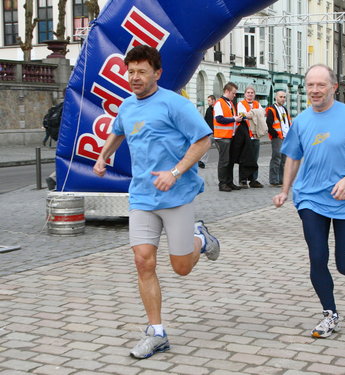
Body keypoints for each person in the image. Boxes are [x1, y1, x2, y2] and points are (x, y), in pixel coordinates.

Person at [92, 45, 220, 359]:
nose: (134, 78)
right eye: (130, 71)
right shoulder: (126, 106)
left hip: (176, 196)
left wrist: (175, 172)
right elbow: (118, 131)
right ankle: (156, 332)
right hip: (141, 197)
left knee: (181, 268)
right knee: (143, 261)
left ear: (157, 73)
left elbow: (204, 139)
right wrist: (102, 156)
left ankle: (200, 240)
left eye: (141, 72)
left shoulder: (174, 104)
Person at [273, 64, 345, 339]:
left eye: (321, 85)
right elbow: (293, 157)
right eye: (310, 85)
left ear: (334, 87)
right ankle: (330, 314)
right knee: (317, 256)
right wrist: (286, 190)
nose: (315, 90)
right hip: (310, 197)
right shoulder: (301, 121)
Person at [213, 82, 244, 192]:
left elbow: (231, 118)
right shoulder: (219, 103)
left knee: (230, 161)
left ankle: (229, 182)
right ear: (227, 91)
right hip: (222, 137)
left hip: (230, 136)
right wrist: (234, 119)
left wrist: (238, 119)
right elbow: (219, 119)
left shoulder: (229, 103)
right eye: (233, 93)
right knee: (224, 161)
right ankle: (222, 184)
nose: (234, 95)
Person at [236, 85, 264, 188]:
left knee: (254, 158)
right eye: (248, 92)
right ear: (245, 94)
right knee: (244, 157)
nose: (250, 94)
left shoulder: (257, 103)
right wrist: (255, 114)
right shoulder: (241, 104)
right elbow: (243, 115)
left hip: (256, 134)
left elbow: (263, 113)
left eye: (252, 93)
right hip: (246, 134)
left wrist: (252, 114)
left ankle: (253, 179)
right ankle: (243, 180)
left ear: (254, 94)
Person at [266, 90, 291, 186]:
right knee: (276, 158)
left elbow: (287, 122)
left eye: (284, 97)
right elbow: (269, 123)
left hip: (286, 136)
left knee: (284, 159)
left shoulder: (284, 109)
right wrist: (275, 134)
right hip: (277, 137)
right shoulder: (271, 109)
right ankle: (274, 180)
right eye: (281, 97)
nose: (283, 99)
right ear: (276, 97)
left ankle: (282, 179)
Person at [198, 94, 216, 169]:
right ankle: (202, 161)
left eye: (209, 100)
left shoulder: (217, 108)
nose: (208, 102)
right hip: (211, 133)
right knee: (206, 146)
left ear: (213, 100)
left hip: (219, 132)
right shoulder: (208, 110)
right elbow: (206, 121)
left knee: (222, 149)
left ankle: (226, 161)